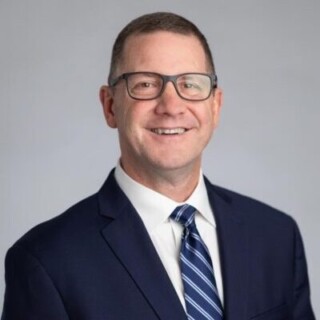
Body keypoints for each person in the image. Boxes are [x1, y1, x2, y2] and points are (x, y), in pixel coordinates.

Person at [1, 12, 315, 320]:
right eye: (146, 84)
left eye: (190, 84)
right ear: (110, 106)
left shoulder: (276, 236)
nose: (171, 106)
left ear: (215, 106)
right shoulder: (46, 261)